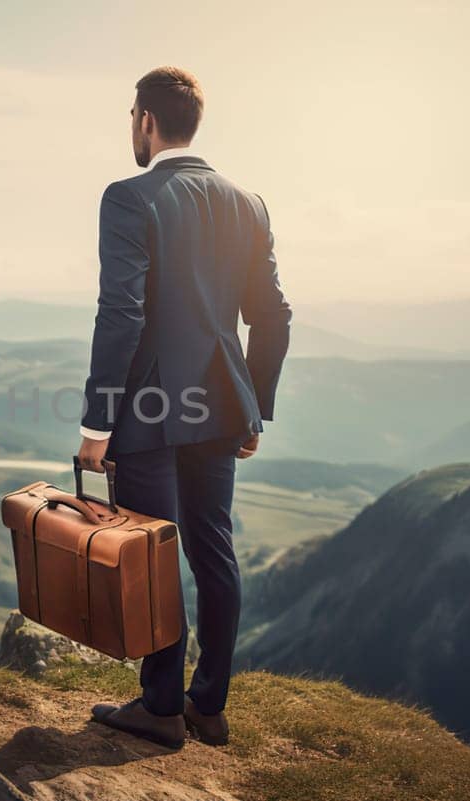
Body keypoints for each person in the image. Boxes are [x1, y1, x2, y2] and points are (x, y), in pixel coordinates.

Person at [77, 66, 291, 749]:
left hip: (148, 412)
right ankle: (210, 705)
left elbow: (122, 315)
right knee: (213, 550)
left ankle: (161, 706)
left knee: (154, 554)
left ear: (145, 119)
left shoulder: (129, 198)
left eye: (130, 119)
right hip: (222, 405)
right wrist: (254, 402)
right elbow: (273, 315)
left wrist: (95, 423)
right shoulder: (248, 203)